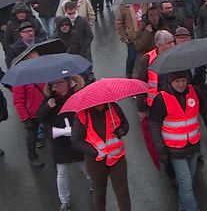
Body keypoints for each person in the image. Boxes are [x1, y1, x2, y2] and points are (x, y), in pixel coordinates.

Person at [149, 71, 202, 211]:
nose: (181, 84)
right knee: (186, 182)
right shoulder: (161, 99)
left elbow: (205, 109)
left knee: (189, 180)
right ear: (170, 82)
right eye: (177, 81)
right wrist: (160, 151)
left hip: (193, 145)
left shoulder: (194, 91)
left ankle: (183, 206)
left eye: (184, 80)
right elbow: (154, 126)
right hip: (175, 149)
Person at [37, 75, 91, 211]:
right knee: (62, 172)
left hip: (77, 140)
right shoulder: (50, 99)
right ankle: (64, 201)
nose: (57, 86)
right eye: (54, 84)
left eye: (60, 83)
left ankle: (94, 184)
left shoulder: (77, 94)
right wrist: (47, 107)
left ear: (68, 82)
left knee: (86, 166)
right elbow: (40, 117)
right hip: (60, 144)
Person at [71, 102, 131, 211]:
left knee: (122, 192)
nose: (100, 104)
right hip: (96, 161)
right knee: (99, 194)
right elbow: (76, 141)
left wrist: (121, 131)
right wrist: (93, 151)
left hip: (117, 158)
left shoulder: (114, 108)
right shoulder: (83, 115)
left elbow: (125, 125)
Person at [12, 50, 46, 167]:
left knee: (52, 135)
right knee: (32, 137)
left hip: (46, 109)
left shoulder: (44, 72)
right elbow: (18, 101)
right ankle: (32, 157)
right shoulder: (20, 78)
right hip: (32, 114)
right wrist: (25, 118)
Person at [134, 30, 176, 118]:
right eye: (169, 43)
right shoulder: (147, 59)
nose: (173, 45)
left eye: (173, 42)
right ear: (158, 45)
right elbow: (140, 84)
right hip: (155, 104)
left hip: (174, 101)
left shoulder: (176, 56)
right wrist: (141, 108)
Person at [115, 0, 145, 76]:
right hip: (132, 37)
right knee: (132, 57)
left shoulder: (146, 4)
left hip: (145, 35)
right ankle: (129, 74)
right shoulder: (124, 7)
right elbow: (119, 22)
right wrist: (124, 37)